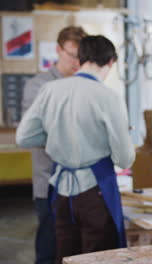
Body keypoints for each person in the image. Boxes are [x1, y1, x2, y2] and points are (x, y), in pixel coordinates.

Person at [16, 35, 135, 263]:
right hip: (95, 191)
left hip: (60, 190)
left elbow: (24, 137)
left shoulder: (50, 89)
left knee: (66, 256)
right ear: (110, 62)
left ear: (80, 60)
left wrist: (56, 134)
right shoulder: (109, 97)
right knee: (99, 256)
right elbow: (125, 159)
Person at [21, 25, 87, 264]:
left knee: (77, 251)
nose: (77, 62)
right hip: (49, 182)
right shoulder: (38, 87)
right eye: (72, 55)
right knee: (50, 249)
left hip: (82, 185)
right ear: (58, 50)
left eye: (82, 57)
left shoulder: (86, 86)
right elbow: (34, 134)